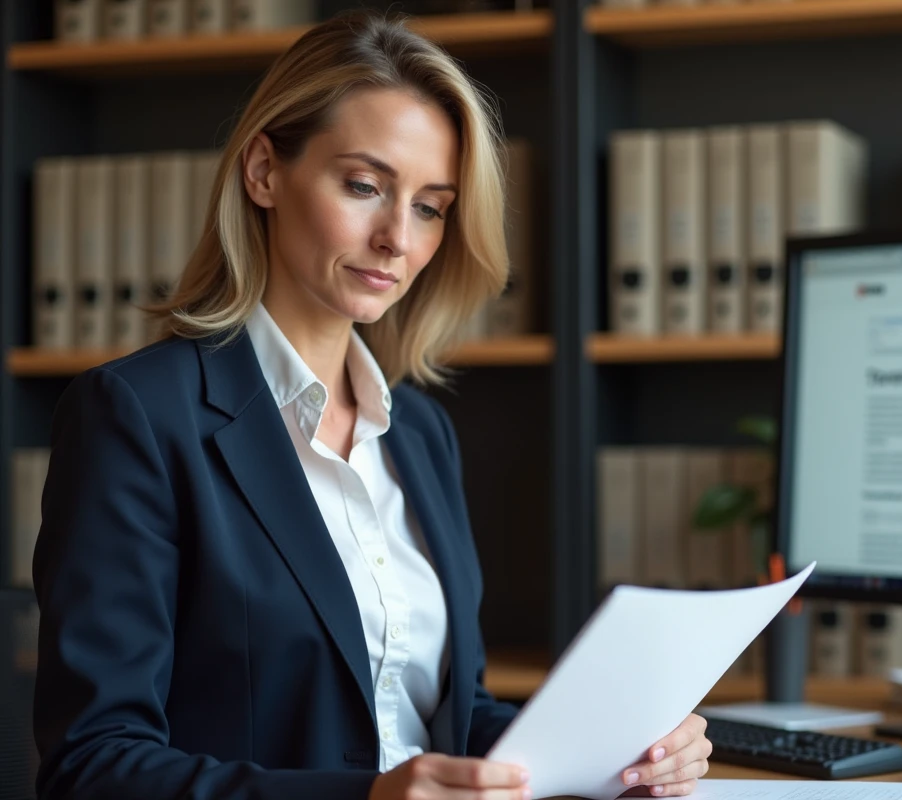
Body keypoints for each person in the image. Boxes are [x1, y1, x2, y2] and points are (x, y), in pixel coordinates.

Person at [30, 9, 711, 800]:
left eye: (430, 206)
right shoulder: (138, 415)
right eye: (364, 186)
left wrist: (622, 754)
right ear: (263, 172)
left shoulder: (419, 432)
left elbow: (444, 716)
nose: (398, 237)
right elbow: (92, 765)